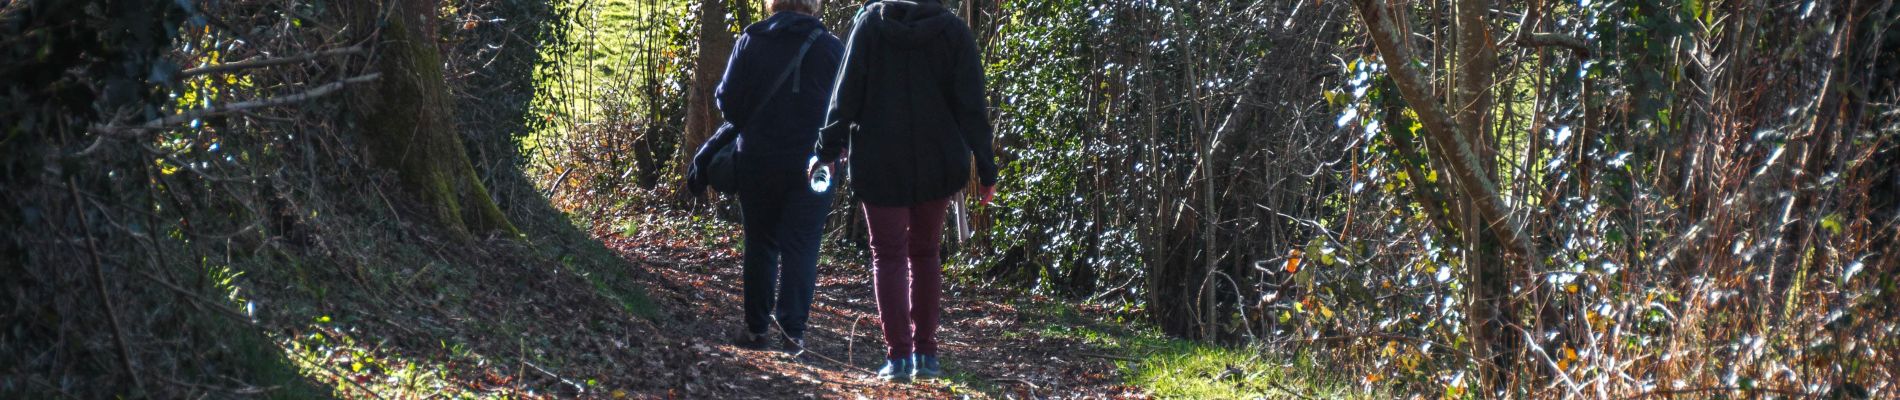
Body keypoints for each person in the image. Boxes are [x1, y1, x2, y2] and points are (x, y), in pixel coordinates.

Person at [810, 0, 998, 383]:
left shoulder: (869, 28)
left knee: (889, 254)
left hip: (881, 160)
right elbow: (972, 107)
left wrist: (825, 152)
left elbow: (844, 97)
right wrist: (987, 168)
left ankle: (898, 358)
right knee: (926, 252)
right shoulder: (953, 31)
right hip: (938, 160)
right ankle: (926, 355)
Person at [687, 0, 844, 354]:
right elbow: (845, 108)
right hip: (814, 164)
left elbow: (726, 100)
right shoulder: (831, 47)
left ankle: (757, 329)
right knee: (801, 245)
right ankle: (793, 333)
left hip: (757, 157)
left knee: (760, 243)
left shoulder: (751, 41)